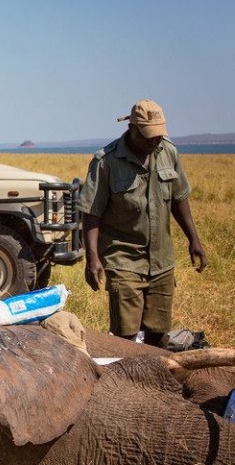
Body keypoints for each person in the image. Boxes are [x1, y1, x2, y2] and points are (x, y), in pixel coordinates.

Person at [76, 99, 207, 347]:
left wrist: (194, 240)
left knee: (158, 332)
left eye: (158, 135)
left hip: (161, 260)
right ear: (132, 128)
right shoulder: (106, 161)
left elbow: (179, 199)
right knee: (125, 335)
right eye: (148, 136)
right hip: (122, 259)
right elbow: (92, 213)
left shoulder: (168, 152)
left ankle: (155, 382)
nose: (154, 141)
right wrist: (92, 258)